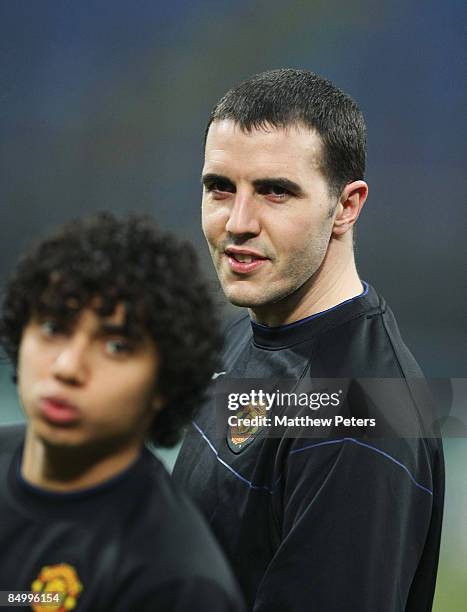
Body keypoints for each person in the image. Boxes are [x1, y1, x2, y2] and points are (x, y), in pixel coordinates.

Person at [172, 69, 444, 611]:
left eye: (276, 192)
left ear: (346, 206)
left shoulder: (362, 421)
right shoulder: (252, 330)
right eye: (220, 188)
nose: (238, 222)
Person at [0, 213, 244, 612]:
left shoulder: (179, 584)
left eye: (115, 346)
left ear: (163, 383)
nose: (66, 367)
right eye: (53, 327)